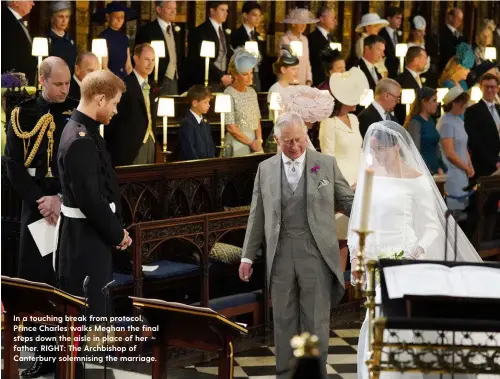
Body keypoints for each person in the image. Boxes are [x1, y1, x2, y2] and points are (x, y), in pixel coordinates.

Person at [347, 120, 483, 379]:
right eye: (372, 150)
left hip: (405, 258)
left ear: (396, 147)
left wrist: (413, 252)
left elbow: (432, 227)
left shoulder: (416, 180)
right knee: (374, 317)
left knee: (394, 321)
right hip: (374, 258)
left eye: (380, 150)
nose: (375, 156)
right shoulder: (370, 176)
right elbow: (359, 221)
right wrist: (355, 258)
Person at [239, 111, 354, 379]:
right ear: (277, 140)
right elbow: (257, 215)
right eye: (288, 141)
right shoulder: (265, 169)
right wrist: (247, 257)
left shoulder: (325, 164)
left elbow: (348, 201)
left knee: (315, 321)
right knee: (283, 321)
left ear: (306, 135)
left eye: (299, 140)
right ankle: (285, 374)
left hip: (316, 253)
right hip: (279, 255)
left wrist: (369, 217)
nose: (295, 146)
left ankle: (315, 376)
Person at [5, 56, 76, 379]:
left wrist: (60, 199)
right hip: (35, 208)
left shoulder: (76, 112)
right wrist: (40, 200)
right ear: (43, 80)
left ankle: (67, 352)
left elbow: (79, 165)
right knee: (34, 283)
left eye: (67, 83)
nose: (65, 89)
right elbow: (13, 166)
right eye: (58, 84)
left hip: (68, 207)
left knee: (63, 280)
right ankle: (40, 354)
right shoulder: (22, 114)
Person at [56, 70, 131, 323]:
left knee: (96, 313)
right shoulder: (80, 139)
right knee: (86, 318)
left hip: (91, 234)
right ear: (100, 99)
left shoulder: (85, 132)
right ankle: (73, 365)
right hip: (84, 239)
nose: (115, 110)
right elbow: (90, 199)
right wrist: (117, 233)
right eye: (114, 103)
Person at [319, 67, 368, 270]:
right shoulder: (328, 123)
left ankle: (355, 284)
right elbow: (327, 157)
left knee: (357, 234)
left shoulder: (355, 120)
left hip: (360, 180)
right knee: (340, 235)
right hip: (342, 182)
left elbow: (361, 150)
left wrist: (364, 178)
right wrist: (344, 184)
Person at [106, 43, 157, 166]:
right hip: (130, 147)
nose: (150, 64)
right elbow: (114, 120)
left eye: (153, 60)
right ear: (136, 58)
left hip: (150, 142)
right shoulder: (124, 85)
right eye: (146, 59)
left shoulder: (153, 86)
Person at [135, 1, 183, 95]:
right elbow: (139, 56)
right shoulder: (147, 30)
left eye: (175, 8)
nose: (173, 12)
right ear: (158, 9)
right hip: (155, 79)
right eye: (169, 8)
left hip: (174, 79)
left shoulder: (176, 30)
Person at [437, 86, 473, 211]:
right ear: (454, 103)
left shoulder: (458, 121)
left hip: (462, 171)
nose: (465, 106)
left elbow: (464, 146)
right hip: (453, 173)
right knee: (454, 213)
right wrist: (466, 167)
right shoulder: (446, 122)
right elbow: (450, 153)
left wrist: (469, 165)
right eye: (463, 103)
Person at [185, 1, 232, 92]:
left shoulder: (225, 31)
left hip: (224, 79)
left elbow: (226, 53)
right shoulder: (201, 31)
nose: (226, 13)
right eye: (222, 10)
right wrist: (220, 76)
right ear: (212, 11)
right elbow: (201, 58)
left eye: (227, 10)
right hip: (207, 79)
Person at [224, 48, 263, 156]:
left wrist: (259, 140)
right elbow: (231, 127)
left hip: (255, 143)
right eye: (245, 74)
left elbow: (257, 120)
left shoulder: (252, 92)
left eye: (251, 73)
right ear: (236, 75)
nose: (250, 77)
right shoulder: (228, 93)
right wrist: (251, 143)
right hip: (237, 142)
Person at [464, 73, 500, 179]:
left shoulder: (499, 109)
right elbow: (474, 142)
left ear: (497, 89)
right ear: (481, 88)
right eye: (486, 87)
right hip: (484, 167)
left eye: (492, 87)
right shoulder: (473, 111)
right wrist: (494, 162)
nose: (489, 90)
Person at [405, 87, 447, 175]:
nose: (437, 104)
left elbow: (436, 147)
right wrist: (428, 170)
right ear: (424, 102)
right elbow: (415, 151)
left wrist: (439, 166)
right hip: (424, 171)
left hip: (435, 169)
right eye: (434, 100)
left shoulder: (430, 120)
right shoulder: (415, 123)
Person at [95, 2, 137, 79]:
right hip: (109, 80)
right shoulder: (103, 37)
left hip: (124, 79)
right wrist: (116, 81)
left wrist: (133, 82)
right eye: (116, 16)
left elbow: (128, 66)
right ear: (108, 17)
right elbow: (104, 66)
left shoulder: (124, 38)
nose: (119, 20)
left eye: (122, 17)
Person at [230, 1, 265, 92]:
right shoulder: (237, 34)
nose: (258, 18)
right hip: (242, 74)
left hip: (256, 74)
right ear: (245, 15)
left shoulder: (258, 36)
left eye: (259, 15)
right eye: (254, 15)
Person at [279, 8, 317, 86]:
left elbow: (307, 62)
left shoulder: (305, 40)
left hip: (303, 82)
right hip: (288, 82)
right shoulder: (285, 39)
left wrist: (308, 79)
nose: (303, 25)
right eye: (300, 22)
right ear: (293, 23)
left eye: (305, 22)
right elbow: (286, 63)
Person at [1, 1, 37, 85]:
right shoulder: (6, 22)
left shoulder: (16, 20)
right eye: (29, 0)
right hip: (15, 87)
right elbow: (8, 58)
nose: (33, 3)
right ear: (16, 2)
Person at [179, 85, 216, 161]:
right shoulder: (187, 123)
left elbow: (210, 144)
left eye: (208, 102)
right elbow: (189, 149)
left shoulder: (205, 121)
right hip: (194, 166)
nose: (208, 105)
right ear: (195, 103)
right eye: (205, 102)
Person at [394, 46, 427, 122]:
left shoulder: (418, 77)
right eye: (424, 58)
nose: (426, 62)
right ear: (416, 60)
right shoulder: (401, 80)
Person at [308, 6, 338, 86]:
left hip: (332, 81)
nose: (334, 21)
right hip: (318, 81)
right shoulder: (312, 38)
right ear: (322, 19)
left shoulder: (333, 38)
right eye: (332, 18)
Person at [354, 13, 389, 79]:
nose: (378, 29)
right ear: (367, 27)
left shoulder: (377, 41)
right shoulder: (362, 41)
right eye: (375, 26)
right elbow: (365, 60)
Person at [47, 1, 77, 74]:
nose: (64, 21)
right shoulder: (46, 39)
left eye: (67, 17)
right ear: (52, 19)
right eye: (60, 17)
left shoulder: (70, 40)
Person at [378, 6, 403, 79]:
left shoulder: (399, 34)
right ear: (389, 18)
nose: (400, 21)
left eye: (401, 18)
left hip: (398, 71)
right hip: (387, 71)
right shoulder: (382, 34)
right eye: (397, 18)